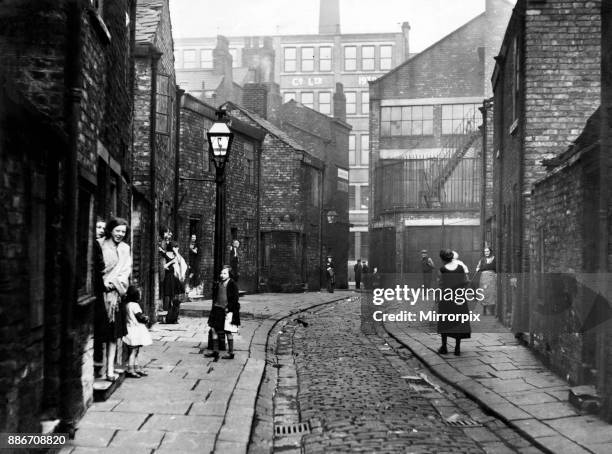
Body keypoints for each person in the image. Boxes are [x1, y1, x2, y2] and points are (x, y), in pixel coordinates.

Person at [97, 217, 132, 381]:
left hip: (116, 296)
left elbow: (126, 271)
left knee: (113, 335)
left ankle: (110, 369)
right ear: (111, 230)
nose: (120, 234)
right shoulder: (100, 244)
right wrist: (103, 284)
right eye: (117, 230)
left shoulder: (125, 249)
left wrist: (113, 284)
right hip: (100, 295)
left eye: (123, 232)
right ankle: (99, 367)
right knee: (101, 333)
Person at [437, 249, 471, 356]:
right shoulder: (460, 268)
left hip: (446, 299)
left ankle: (444, 347)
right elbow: (465, 282)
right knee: (459, 323)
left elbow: (440, 285)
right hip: (459, 298)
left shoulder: (442, 270)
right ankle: (457, 348)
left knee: (445, 322)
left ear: (442, 259)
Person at [205, 266, 240, 361]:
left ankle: (231, 352)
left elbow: (235, 299)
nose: (222, 275)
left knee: (228, 331)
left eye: (225, 273)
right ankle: (215, 351)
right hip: (217, 309)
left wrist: (229, 309)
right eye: (221, 273)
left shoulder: (232, 284)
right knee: (214, 329)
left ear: (229, 275)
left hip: (227, 310)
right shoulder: (219, 283)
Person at [122, 285, 152, 378]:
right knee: (133, 351)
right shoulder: (135, 305)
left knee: (135, 350)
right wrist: (146, 319)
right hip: (136, 330)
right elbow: (140, 317)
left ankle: (136, 367)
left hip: (130, 329)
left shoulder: (127, 305)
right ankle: (131, 369)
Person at [161, 241, 188, 323]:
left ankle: (174, 317)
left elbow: (181, 263)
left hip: (175, 278)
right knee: (169, 297)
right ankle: (169, 316)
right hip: (169, 278)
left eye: (177, 247)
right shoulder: (165, 255)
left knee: (176, 298)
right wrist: (171, 262)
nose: (177, 249)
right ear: (171, 247)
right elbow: (164, 266)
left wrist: (177, 253)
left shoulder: (176, 255)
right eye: (175, 247)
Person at [93, 218, 106, 378]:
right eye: (98, 227)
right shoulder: (94, 244)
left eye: (103, 227)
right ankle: (97, 364)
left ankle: (98, 364)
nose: (101, 230)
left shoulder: (101, 245)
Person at [476, 247, 497, 316]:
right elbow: (478, 267)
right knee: (484, 292)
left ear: (490, 251)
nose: (486, 253)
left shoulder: (494, 259)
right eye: (485, 251)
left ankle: (493, 310)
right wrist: (478, 268)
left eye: (487, 251)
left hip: (492, 277)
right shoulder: (482, 259)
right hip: (484, 277)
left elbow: (496, 269)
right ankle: (484, 309)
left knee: (492, 292)